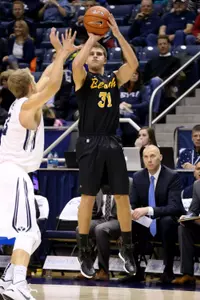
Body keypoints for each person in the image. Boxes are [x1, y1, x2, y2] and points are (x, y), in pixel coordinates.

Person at [0, 28, 80, 300]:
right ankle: (16, 285)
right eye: (35, 81)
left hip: (9, 174)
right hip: (14, 174)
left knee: (31, 232)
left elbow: (47, 77)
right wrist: (64, 55)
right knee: (26, 231)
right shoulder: (27, 106)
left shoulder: (20, 103)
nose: (39, 82)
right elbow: (54, 85)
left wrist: (61, 54)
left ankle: (9, 278)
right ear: (31, 86)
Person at [72, 14, 138, 278]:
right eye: (93, 54)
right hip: (89, 141)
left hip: (111, 141)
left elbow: (132, 63)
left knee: (122, 196)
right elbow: (77, 64)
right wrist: (92, 39)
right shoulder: (83, 80)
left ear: (105, 59)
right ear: (89, 58)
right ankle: (84, 249)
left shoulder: (113, 79)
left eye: (100, 53)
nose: (97, 55)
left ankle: (127, 247)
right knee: (88, 197)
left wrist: (118, 34)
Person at [131, 145, 184, 283]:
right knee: (129, 222)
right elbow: (133, 203)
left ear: (160, 157)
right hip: (146, 222)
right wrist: (131, 212)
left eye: (153, 156)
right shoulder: (137, 177)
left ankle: (168, 271)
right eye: (146, 157)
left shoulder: (172, 176)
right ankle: (135, 270)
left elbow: (174, 207)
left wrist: (149, 210)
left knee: (167, 222)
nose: (149, 160)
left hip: (165, 221)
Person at [173, 180, 200, 285]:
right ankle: (187, 274)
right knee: (183, 228)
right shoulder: (197, 185)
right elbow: (194, 209)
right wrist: (188, 217)